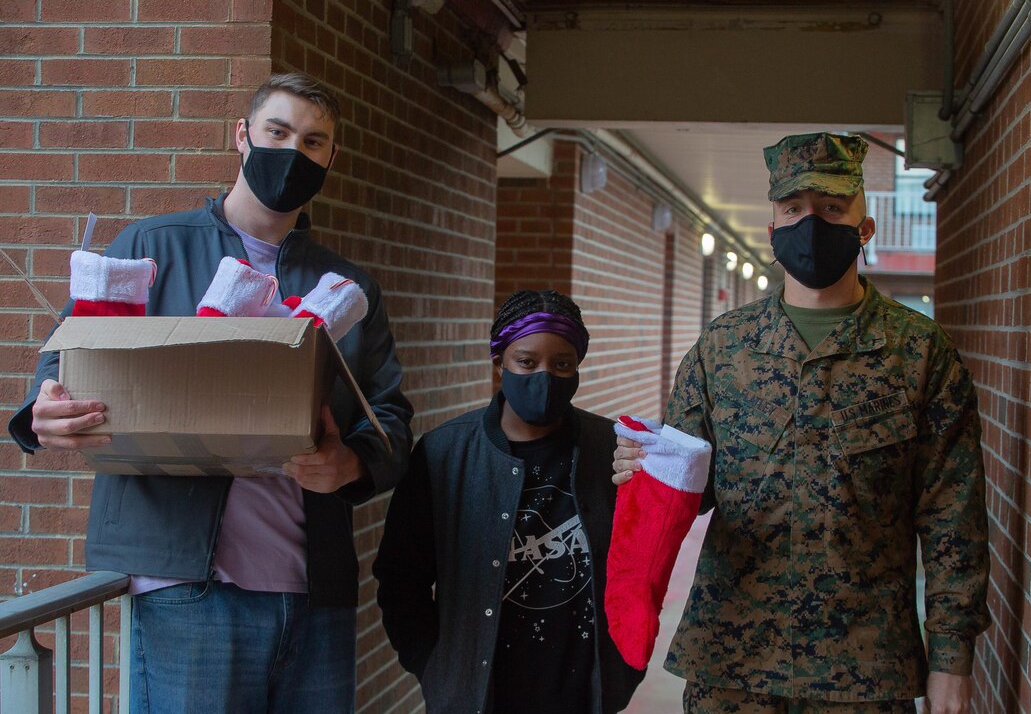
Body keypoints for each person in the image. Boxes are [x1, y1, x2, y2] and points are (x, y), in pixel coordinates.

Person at [7, 72, 413, 714]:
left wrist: (352, 463)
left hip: (314, 594)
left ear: (331, 159)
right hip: (186, 586)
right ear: (242, 136)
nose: (292, 153)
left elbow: (388, 417)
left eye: (313, 143)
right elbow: (65, 362)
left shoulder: (347, 288)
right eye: (277, 132)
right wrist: (44, 415)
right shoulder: (150, 247)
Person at [612, 133, 991, 714]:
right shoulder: (723, 348)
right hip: (732, 663)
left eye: (832, 208)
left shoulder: (918, 353)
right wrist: (641, 467)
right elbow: (688, 489)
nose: (811, 224)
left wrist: (951, 661)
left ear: (865, 228)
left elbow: (951, 518)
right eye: (794, 210)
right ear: (772, 232)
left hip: (864, 673)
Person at [373, 290, 645, 714]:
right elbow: (400, 577)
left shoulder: (610, 451)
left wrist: (624, 665)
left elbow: (642, 567)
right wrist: (434, 666)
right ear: (500, 360)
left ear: (578, 367)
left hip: (581, 691)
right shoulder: (445, 453)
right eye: (526, 361)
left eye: (562, 364)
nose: (544, 377)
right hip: (480, 693)